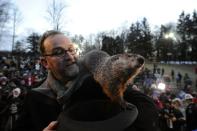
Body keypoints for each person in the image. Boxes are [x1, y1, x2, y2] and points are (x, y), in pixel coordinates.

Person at [13, 30, 158, 131]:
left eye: (71, 49)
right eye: (58, 52)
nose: (70, 57)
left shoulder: (98, 78)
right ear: (45, 62)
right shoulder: (36, 96)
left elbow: (146, 105)